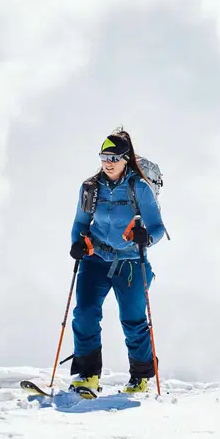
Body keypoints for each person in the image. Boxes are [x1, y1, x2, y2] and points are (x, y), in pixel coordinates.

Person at [66, 130, 167, 397]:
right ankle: (87, 376)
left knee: (133, 320)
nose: (107, 162)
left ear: (126, 159)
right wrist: (77, 242)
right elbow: (80, 222)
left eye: (113, 157)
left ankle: (141, 377)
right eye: (103, 156)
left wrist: (147, 237)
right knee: (85, 313)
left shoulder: (139, 188)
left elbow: (157, 227)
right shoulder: (90, 187)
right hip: (95, 258)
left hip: (131, 263)